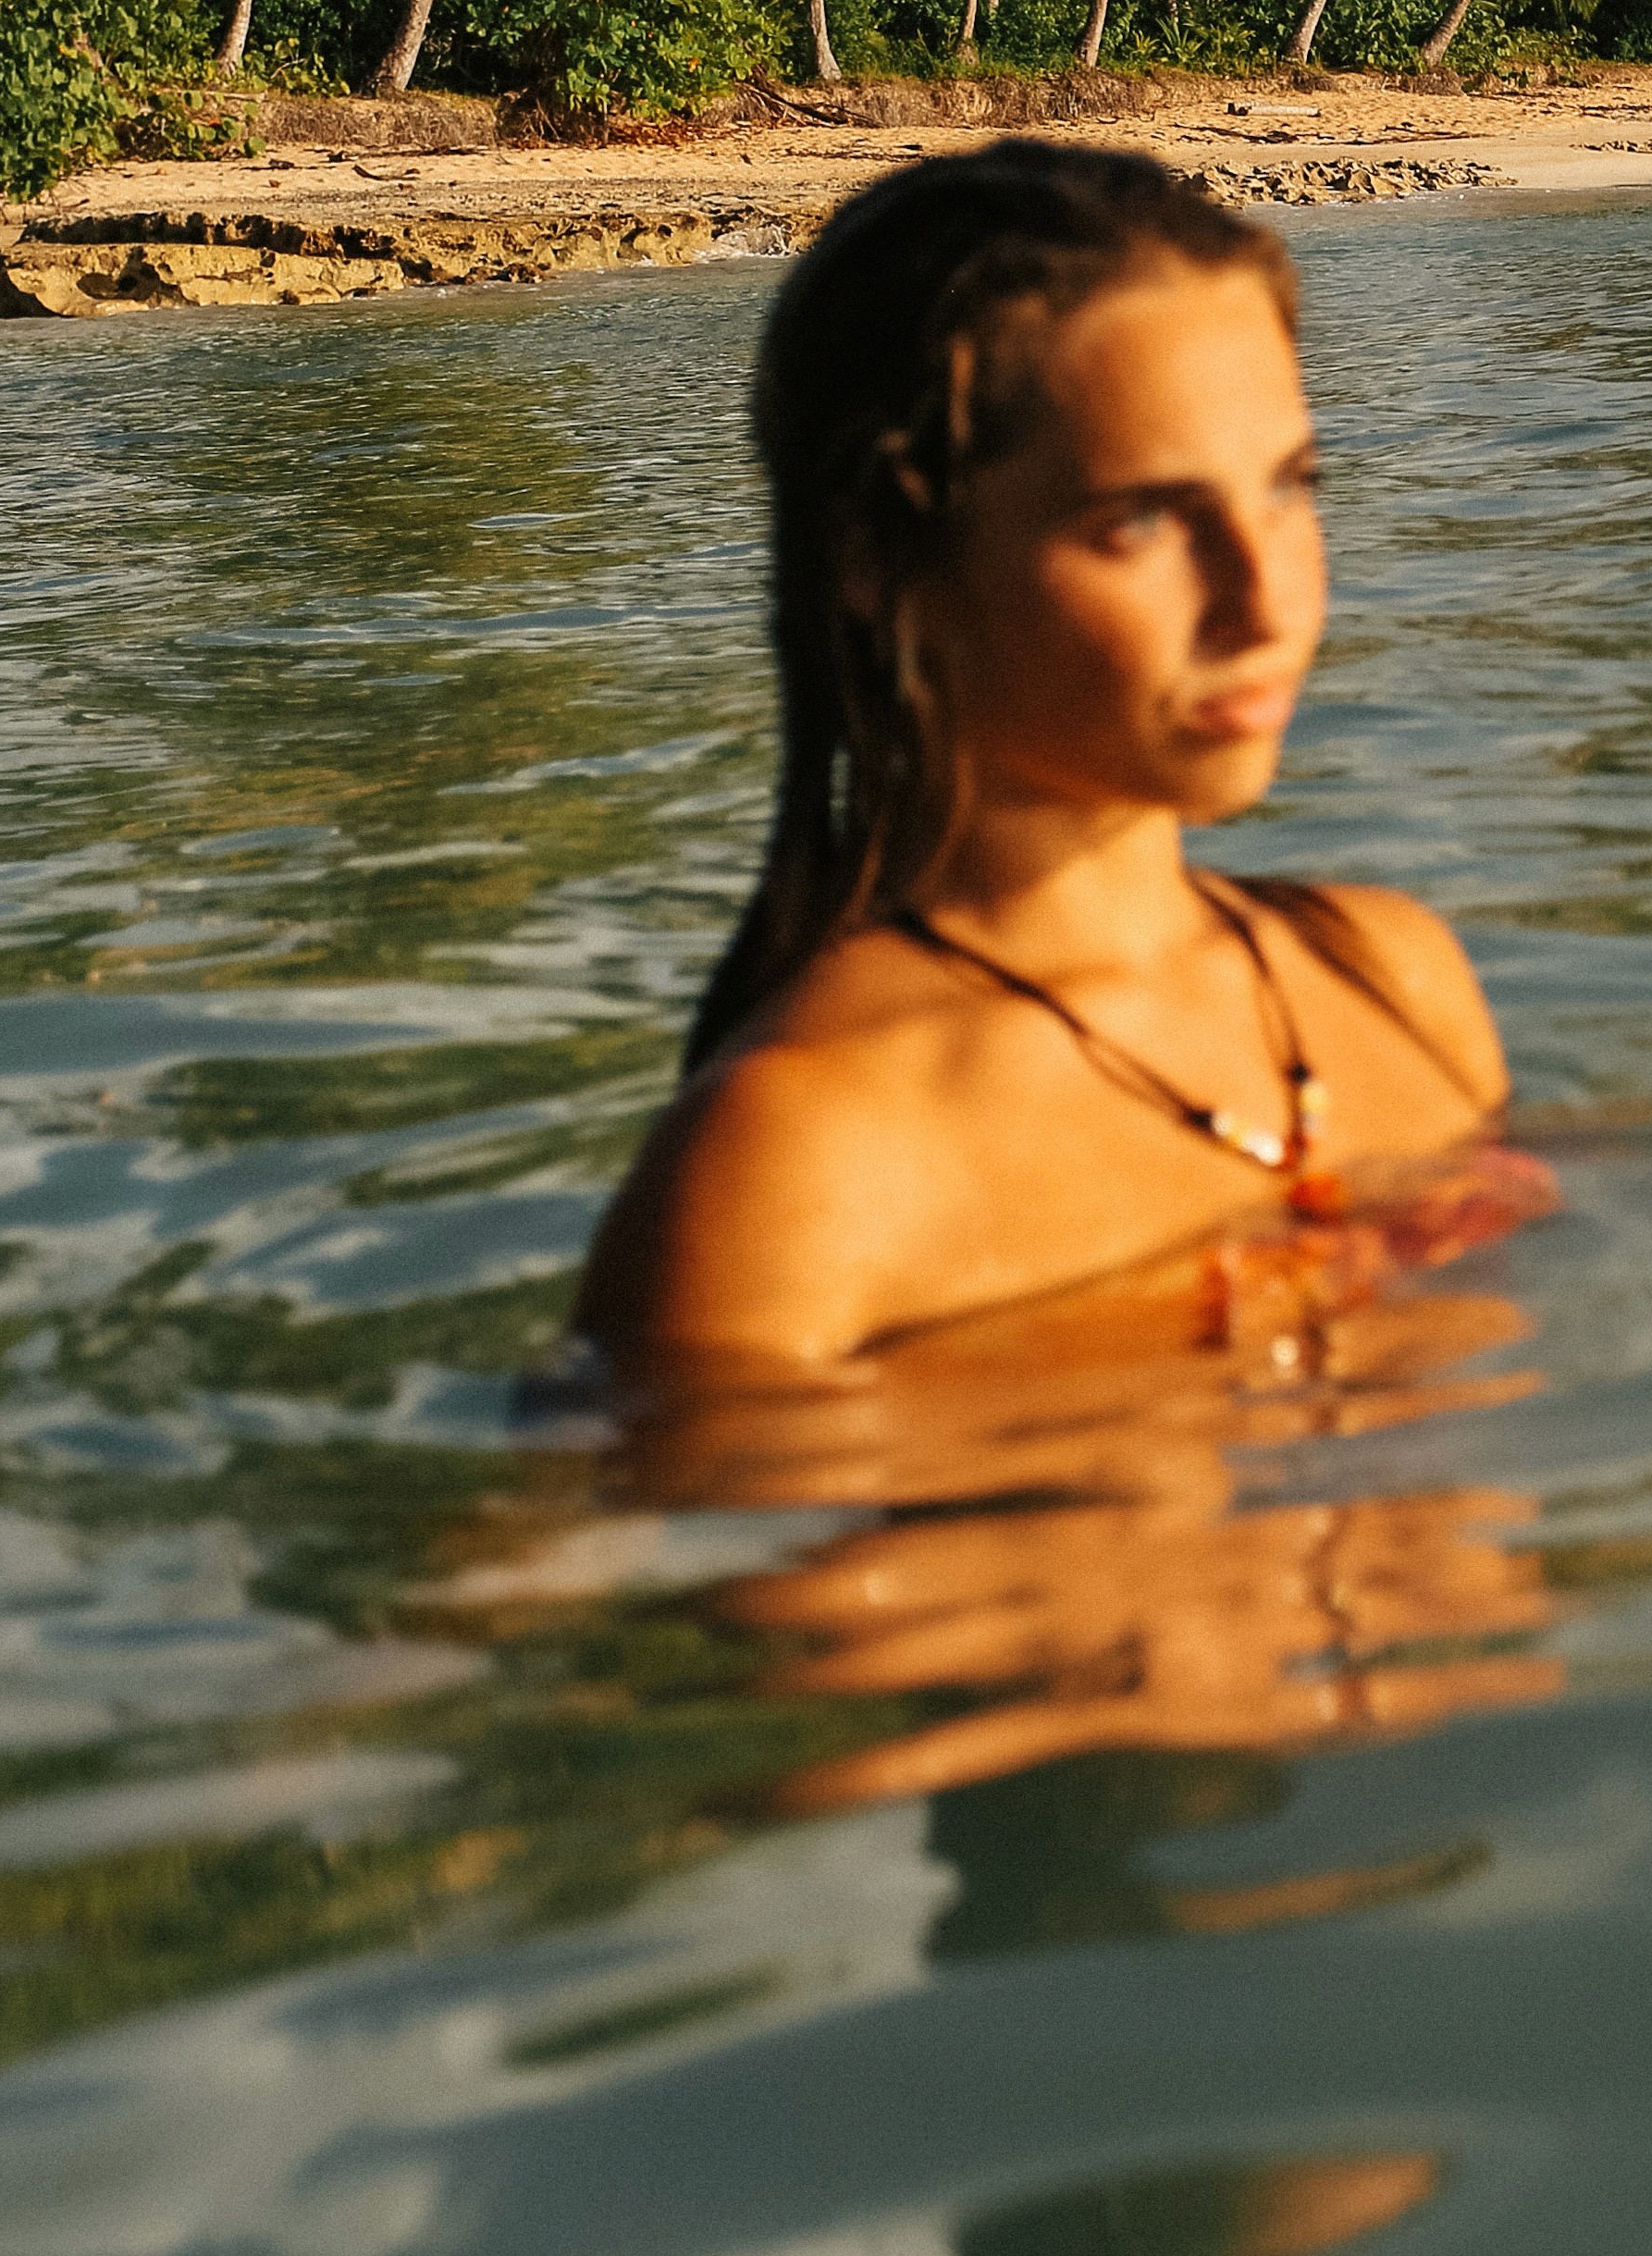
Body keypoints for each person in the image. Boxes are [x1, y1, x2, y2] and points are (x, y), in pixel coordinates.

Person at [576, 143, 1521, 1379]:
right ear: (882, 557)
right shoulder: (802, 1162)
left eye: (1292, 487)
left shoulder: (1394, 978)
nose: (1265, 599)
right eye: (1141, 520)